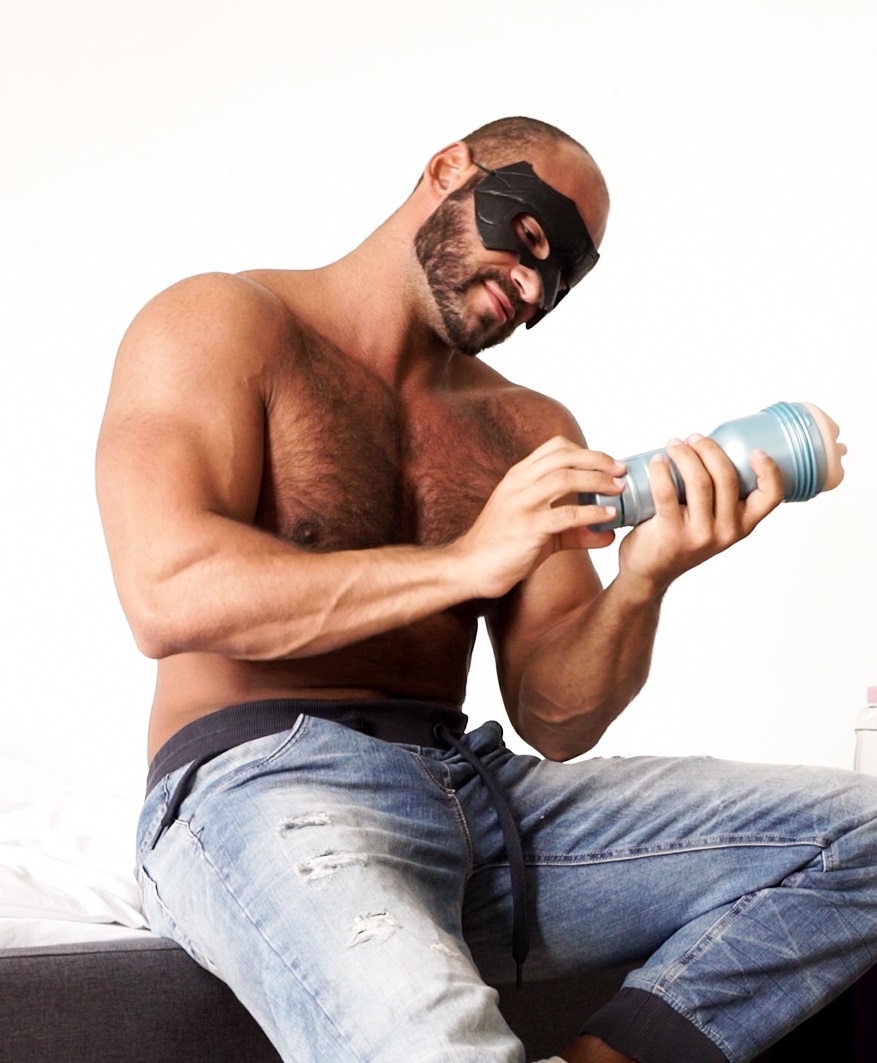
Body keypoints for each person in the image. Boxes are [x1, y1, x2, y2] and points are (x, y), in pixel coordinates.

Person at [96, 116, 877, 1063]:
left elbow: (556, 716)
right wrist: (468, 560)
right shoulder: (223, 320)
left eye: (561, 279)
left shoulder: (523, 426)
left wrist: (644, 577)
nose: (533, 287)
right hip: (260, 782)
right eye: (532, 236)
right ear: (447, 169)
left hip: (473, 792)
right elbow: (167, 590)